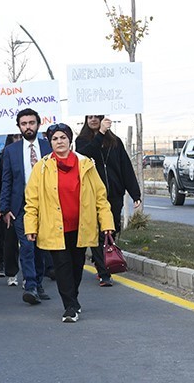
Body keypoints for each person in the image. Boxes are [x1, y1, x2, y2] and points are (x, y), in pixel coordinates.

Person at [25, 123, 115, 323]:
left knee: (76, 266)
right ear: (50, 142)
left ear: (69, 140)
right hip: (54, 227)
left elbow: (100, 197)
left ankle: (73, 298)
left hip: (81, 226)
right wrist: (31, 226)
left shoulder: (86, 164)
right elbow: (32, 200)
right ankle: (70, 307)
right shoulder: (42, 167)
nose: (59, 142)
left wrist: (107, 223)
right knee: (62, 267)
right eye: (55, 139)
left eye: (63, 137)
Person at [75, 115, 142, 287]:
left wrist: (135, 194)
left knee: (111, 230)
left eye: (96, 117)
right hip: (92, 196)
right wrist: (101, 134)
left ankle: (104, 259)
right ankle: (103, 271)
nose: (93, 120)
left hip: (114, 194)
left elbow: (125, 167)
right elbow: (87, 154)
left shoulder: (115, 142)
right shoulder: (81, 141)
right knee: (98, 233)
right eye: (89, 117)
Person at [0, 108, 53, 305]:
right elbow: (7, 180)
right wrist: (5, 208)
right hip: (22, 206)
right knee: (27, 246)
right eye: (24, 124)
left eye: (31, 123)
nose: (28, 127)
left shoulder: (49, 147)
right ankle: (30, 285)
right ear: (19, 127)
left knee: (40, 247)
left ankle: (38, 283)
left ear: (38, 124)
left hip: (47, 205)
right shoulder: (11, 151)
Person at [0, 134, 22, 285]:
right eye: (15, 137)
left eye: (20, 137)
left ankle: (32, 276)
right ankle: (12, 273)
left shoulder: (33, 155)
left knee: (30, 242)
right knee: (10, 240)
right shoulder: (3, 157)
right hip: (10, 204)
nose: (18, 139)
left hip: (30, 201)